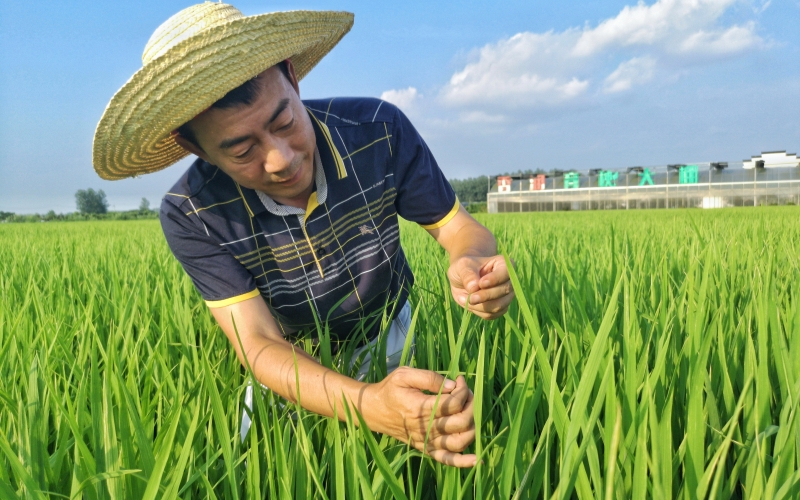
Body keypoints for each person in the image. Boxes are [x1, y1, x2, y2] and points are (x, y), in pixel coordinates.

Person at [93, 2, 514, 468]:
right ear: (195, 147)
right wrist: (367, 404)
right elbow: (258, 342)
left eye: (284, 123)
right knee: (263, 465)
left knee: (412, 456)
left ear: (292, 78)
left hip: (386, 329)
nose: (280, 160)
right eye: (242, 150)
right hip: (290, 358)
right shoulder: (190, 212)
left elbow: (459, 228)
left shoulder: (378, 131)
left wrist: (470, 262)